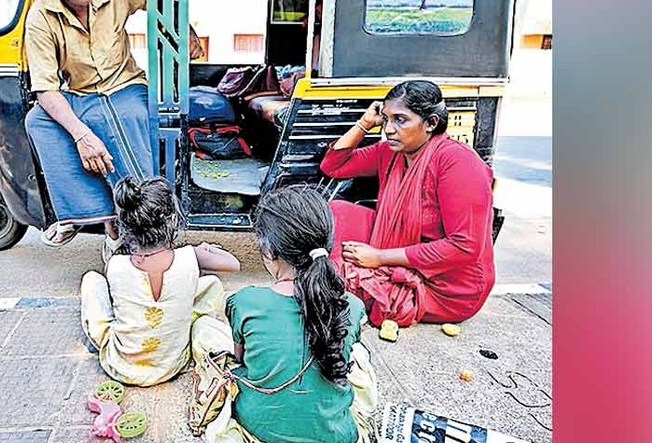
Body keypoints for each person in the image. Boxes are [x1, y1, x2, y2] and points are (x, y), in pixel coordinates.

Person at [23, 0, 204, 258]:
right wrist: (81, 136)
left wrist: (185, 27)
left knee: (130, 117)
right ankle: (103, 218)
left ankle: (148, 217)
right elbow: (46, 88)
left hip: (126, 87)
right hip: (82, 94)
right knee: (39, 121)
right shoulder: (39, 18)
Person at [205, 186, 378, 443]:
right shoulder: (351, 306)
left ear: (269, 252)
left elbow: (241, 361)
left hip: (259, 428)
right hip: (337, 436)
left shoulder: (244, 302)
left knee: (205, 331)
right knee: (360, 355)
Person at [320, 80, 496, 329]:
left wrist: (379, 258)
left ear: (431, 123)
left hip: (448, 286)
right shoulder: (392, 152)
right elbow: (333, 166)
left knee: (335, 280)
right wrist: (365, 123)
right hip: (402, 251)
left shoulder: (458, 163)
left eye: (400, 120)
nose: (389, 129)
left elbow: (465, 246)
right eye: (386, 119)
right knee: (336, 212)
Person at [80, 177, 240, 387]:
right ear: (172, 221)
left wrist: (111, 232)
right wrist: (206, 248)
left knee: (92, 280)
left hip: (121, 367)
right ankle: (181, 322)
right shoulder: (190, 256)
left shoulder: (116, 265)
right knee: (211, 283)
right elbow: (233, 264)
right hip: (172, 365)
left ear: (126, 224)